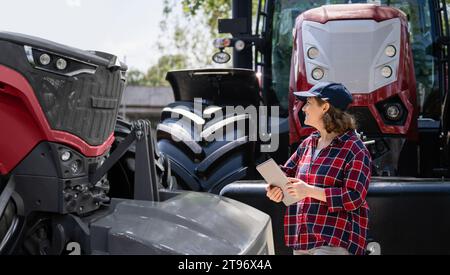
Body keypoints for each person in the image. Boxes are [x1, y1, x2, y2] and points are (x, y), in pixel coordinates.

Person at [266, 82, 371, 255]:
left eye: (309, 103)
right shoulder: (308, 143)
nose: (303, 109)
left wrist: (308, 191)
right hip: (303, 239)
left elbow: (354, 197)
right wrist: (274, 187)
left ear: (325, 107)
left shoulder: (355, 148)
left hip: (333, 241)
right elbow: (286, 173)